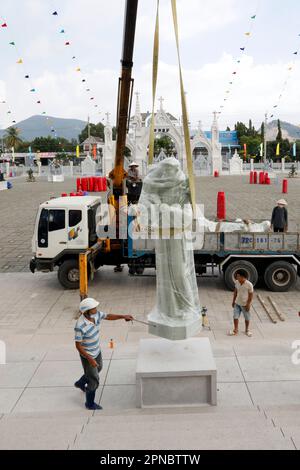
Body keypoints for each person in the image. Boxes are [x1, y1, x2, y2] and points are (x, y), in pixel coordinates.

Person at [74, 298, 133, 410]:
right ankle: (89, 404)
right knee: (94, 380)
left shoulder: (96, 315)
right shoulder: (80, 326)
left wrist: (123, 316)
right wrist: (90, 359)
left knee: (99, 368)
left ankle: (80, 383)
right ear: (86, 311)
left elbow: (108, 316)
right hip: (88, 356)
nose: (96, 309)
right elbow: (78, 346)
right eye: (93, 308)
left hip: (97, 350)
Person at [229, 269, 254, 337]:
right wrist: (233, 301)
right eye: (237, 276)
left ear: (243, 277)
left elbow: (251, 296)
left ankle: (247, 330)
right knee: (235, 317)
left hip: (245, 304)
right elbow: (235, 292)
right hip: (237, 303)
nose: (237, 277)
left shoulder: (249, 285)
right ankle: (235, 330)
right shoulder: (237, 282)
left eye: (238, 276)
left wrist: (248, 304)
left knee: (247, 318)